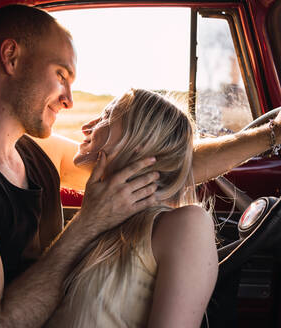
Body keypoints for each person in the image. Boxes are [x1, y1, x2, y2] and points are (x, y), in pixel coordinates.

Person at [0, 4, 281, 328]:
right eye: (62, 74)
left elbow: (161, 166)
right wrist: (88, 224)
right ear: (11, 58)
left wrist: (276, 129)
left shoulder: (31, 152)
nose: (69, 99)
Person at [45, 88, 217, 327]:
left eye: (107, 116)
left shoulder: (185, 224)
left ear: (140, 141)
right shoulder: (97, 223)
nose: (86, 127)